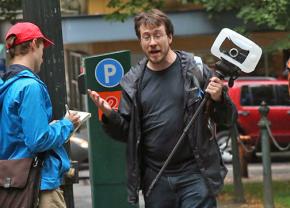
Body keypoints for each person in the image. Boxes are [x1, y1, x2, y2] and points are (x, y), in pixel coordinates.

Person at [88, 9, 237, 208]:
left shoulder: (195, 70)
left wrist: (219, 98)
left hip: (194, 172)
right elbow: (127, 133)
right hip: (156, 177)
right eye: (146, 37)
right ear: (140, 41)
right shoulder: (133, 82)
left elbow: (227, 118)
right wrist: (108, 114)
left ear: (170, 37)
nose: (152, 42)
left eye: (157, 35)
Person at [0, 22, 80, 208]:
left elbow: (16, 135)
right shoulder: (30, 87)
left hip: (12, 185)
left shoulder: (6, 87)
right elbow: (38, 140)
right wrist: (66, 125)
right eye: (43, 46)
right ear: (35, 43)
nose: (43, 55)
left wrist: (48, 127)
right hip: (39, 186)